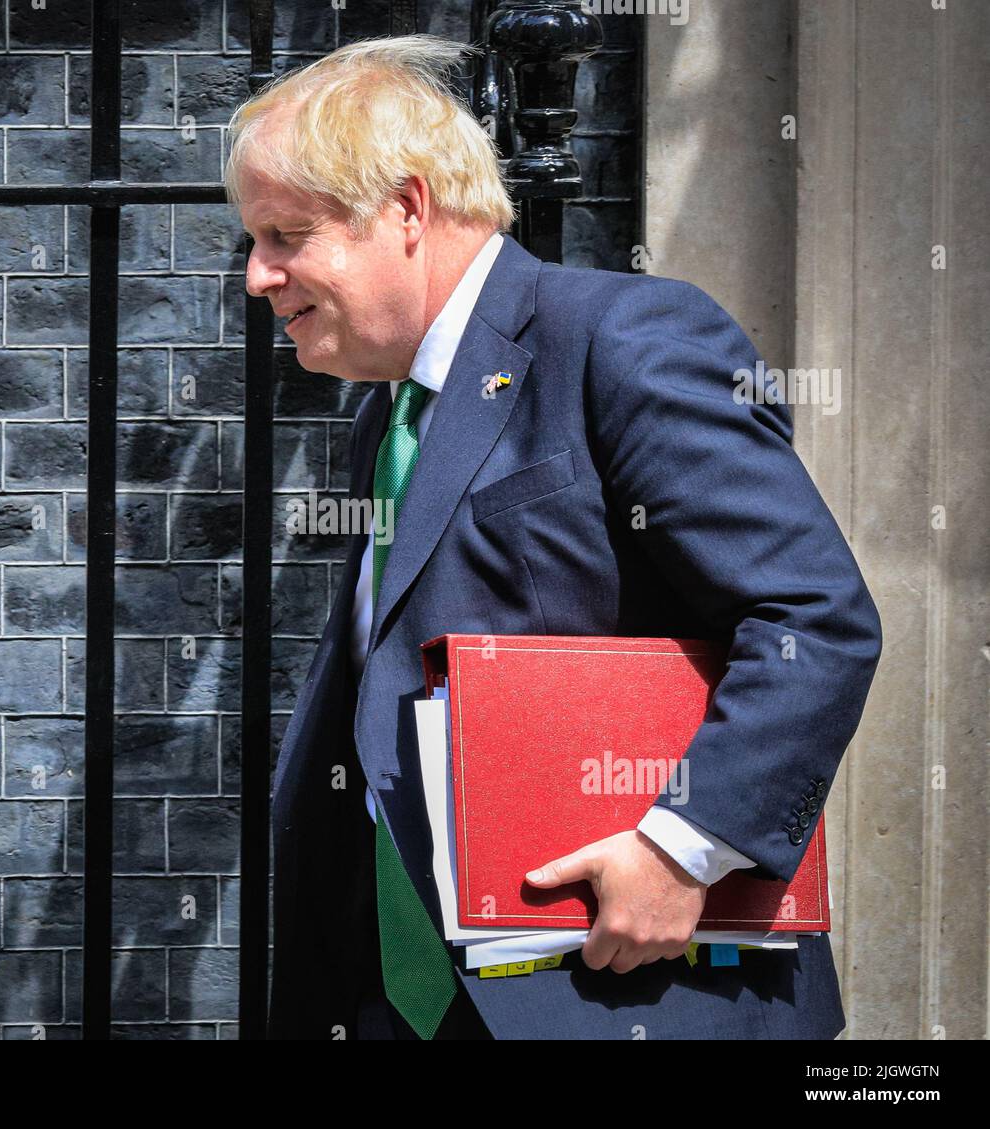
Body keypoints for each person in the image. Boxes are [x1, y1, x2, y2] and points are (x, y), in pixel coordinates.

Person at [223, 34, 882, 1040]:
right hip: (405, 997)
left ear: (405, 208)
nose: (257, 277)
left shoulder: (622, 337)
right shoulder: (386, 416)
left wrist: (683, 846)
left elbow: (811, 617)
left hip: (619, 991)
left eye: (284, 234)